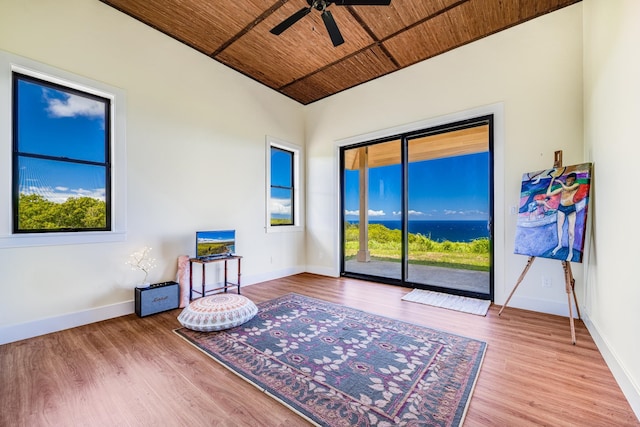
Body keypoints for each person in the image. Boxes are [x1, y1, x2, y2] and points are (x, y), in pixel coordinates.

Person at [546, 171, 580, 261]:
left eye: (570, 181)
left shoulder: (576, 185)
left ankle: (570, 252)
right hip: (561, 208)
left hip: (571, 208)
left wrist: (561, 182)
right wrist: (552, 180)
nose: (569, 182)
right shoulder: (563, 188)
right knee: (559, 228)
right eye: (568, 180)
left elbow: (568, 189)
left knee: (571, 232)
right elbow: (549, 194)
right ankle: (559, 245)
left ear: (573, 180)